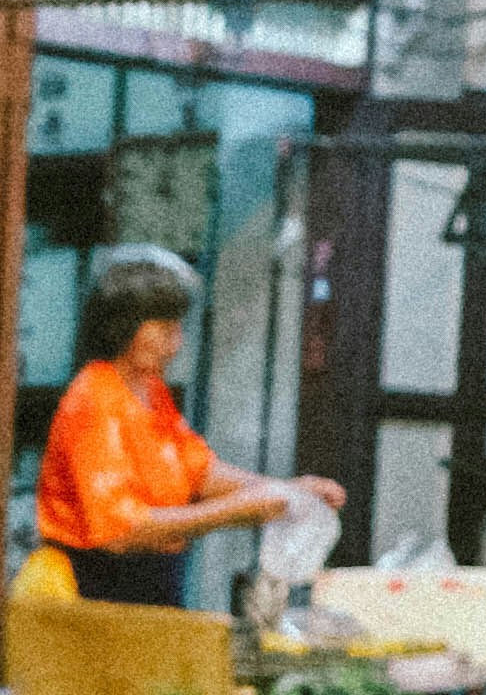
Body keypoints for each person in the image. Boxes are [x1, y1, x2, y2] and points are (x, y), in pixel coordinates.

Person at [34, 251, 339, 605]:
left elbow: (197, 471)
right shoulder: (93, 397)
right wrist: (237, 512)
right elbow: (120, 530)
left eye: (177, 329)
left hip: (149, 582)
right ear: (124, 325)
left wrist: (287, 491)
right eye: (164, 329)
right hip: (91, 586)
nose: (175, 343)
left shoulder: (149, 389)